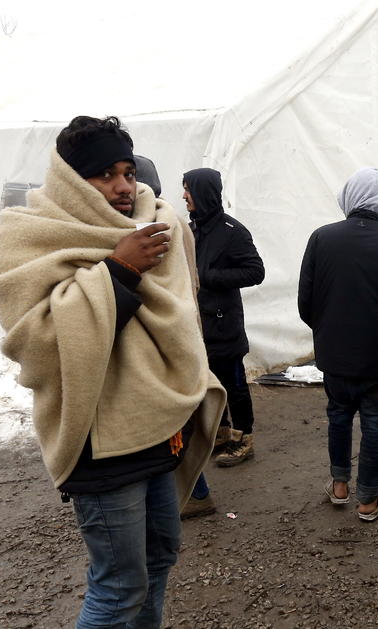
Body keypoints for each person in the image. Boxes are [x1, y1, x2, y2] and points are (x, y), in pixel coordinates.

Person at [0, 115, 225, 627]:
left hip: (157, 427)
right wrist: (120, 269)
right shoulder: (28, 235)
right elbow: (37, 343)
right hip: (101, 441)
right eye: (105, 175)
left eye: (127, 171)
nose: (123, 187)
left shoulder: (154, 222)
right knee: (118, 588)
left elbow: (181, 313)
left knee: (160, 561)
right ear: (74, 180)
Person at [298, 168, 378, 521]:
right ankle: (368, 500)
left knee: (339, 417)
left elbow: (306, 302)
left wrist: (328, 332)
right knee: (375, 424)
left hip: (335, 356)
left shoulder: (321, 238)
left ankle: (340, 486)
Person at [135, 154, 217, 520]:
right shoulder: (174, 220)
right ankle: (192, 491)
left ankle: (195, 493)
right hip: (185, 327)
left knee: (171, 420)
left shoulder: (155, 224)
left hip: (170, 334)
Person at [183, 168, 265, 467]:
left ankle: (244, 438)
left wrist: (208, 276)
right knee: (210, 381)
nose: (183, 196)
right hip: (200, 323)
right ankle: (222, 432)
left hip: (224, 322)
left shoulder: (233, 231)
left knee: (234, 383)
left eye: (188, 189)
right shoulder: (193, 229)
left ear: (202, 192)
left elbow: (256, 271)